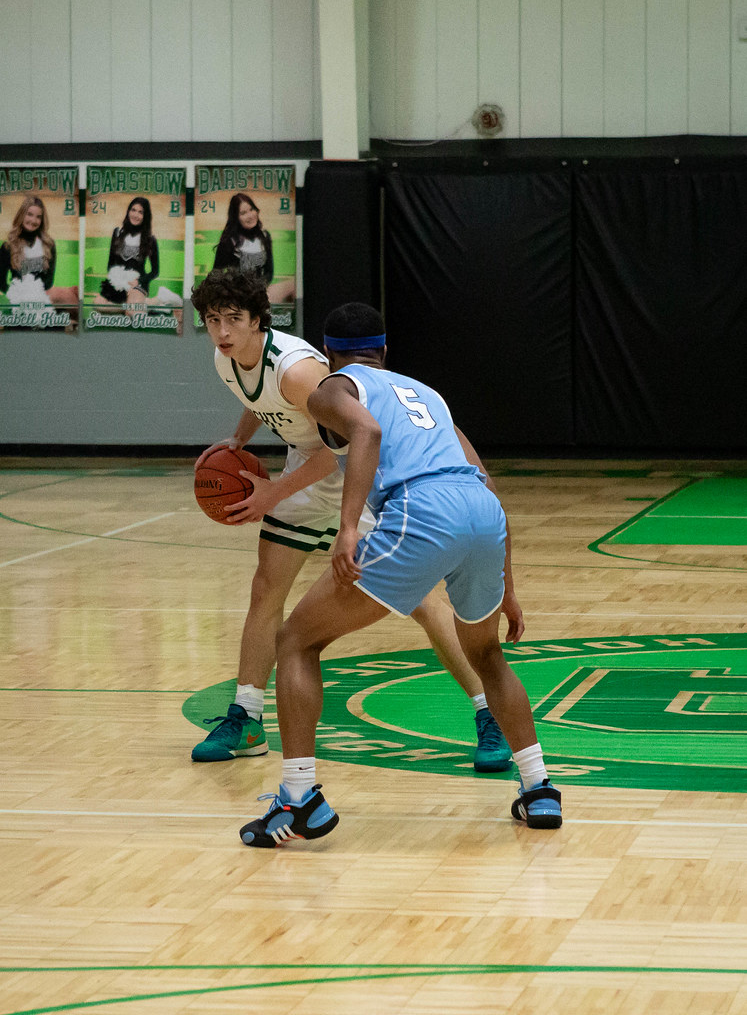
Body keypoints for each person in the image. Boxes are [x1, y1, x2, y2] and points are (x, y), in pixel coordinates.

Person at [239, 302, 562, 848]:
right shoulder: (426, 394)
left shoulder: (332, 388)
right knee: (487, 654)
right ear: (385, 351)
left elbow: (363, 431)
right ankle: (539, 789)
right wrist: (508, 586)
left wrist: (347, 528)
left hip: (422, 511)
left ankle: (299, 801)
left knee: (296, 640)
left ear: (327, 353)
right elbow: (482, 479)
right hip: (481, 516)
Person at [189, 270, 512, 776]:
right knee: (265, 587)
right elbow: (260, 401)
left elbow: (341, 448)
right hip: (306, 465)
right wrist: (237, 441)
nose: (223, 331)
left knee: (425, 604)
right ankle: (246, 718)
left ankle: (487, 713)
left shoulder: (299, 371)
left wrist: (272, 492)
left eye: (234, 320)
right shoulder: (224, 359)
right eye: (213, 321)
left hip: (349, 470)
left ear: (259, 321)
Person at [93, 196, 182, 314]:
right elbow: (110, 265)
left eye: (140, 212)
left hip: (137, 284)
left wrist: (138, 281)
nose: (135, 215)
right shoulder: (117, 233)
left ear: (145, 216)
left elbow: (155, 272)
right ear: (128, 211)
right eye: (133, 210)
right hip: (118, 283)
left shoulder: (150, 240)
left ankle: (161, 297)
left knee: (132, 314)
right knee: (97, 304)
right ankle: (153, 305)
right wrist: (120, 280)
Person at [0, 196, 78, 308]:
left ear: (42, 220)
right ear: (22, 215)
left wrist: (35, 297)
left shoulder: (49, 245)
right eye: (29, 214)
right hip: (18, 302)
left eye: (38, 217)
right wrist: (16, 297)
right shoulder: (7, 247)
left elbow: (49, 281)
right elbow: (1, 283)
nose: (33, 220)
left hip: (41, 299)